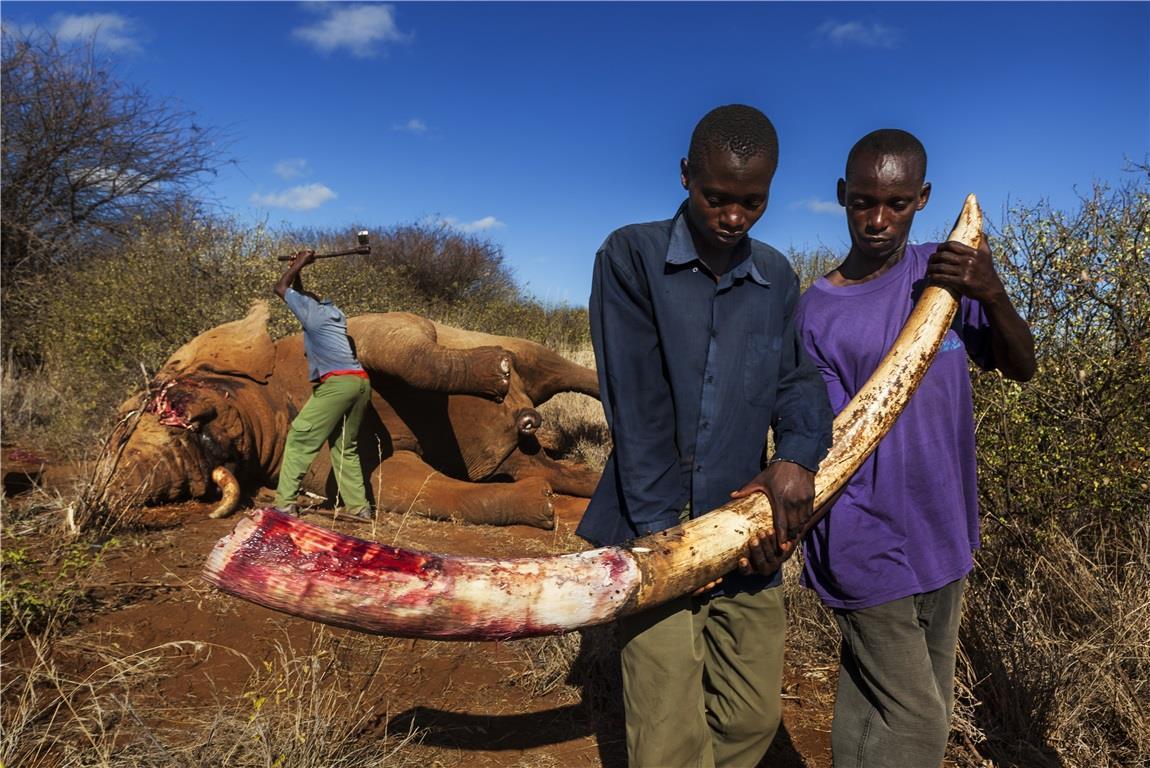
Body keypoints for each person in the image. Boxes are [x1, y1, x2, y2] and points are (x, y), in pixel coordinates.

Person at [577, 104, 834, 767]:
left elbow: (796, 381)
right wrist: (672, 543)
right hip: (654, 526)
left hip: (748, 532)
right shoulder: (630, 256)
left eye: (752, 201)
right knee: (667, 733)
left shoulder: (776, 276)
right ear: (686, 175)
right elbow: (637, 412)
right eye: (716, 196)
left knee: (751, 717)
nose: (732, 216)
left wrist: (797, 459)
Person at [795, 129, 1036, 768]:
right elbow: (820, 436)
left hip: (944, 531)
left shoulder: (948, 274)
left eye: (896, 203)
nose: (878, 220)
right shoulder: (814, 313)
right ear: (842, 196)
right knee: (921, 724)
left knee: (878, 701)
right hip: (860, 536)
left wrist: (993, 291)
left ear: (922, 198)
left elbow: (1022, 365)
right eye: (864, 202)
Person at [272, 249, 374, 521]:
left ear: (305, 308)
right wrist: (299, 269)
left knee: (299, 439)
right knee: (344, 447)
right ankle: (359, 508)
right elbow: (301, 297)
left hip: (338, 385)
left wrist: (300, 263)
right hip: (360, 383)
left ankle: (283, 505)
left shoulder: (312, 315)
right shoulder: (331, 314)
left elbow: (280, 287)